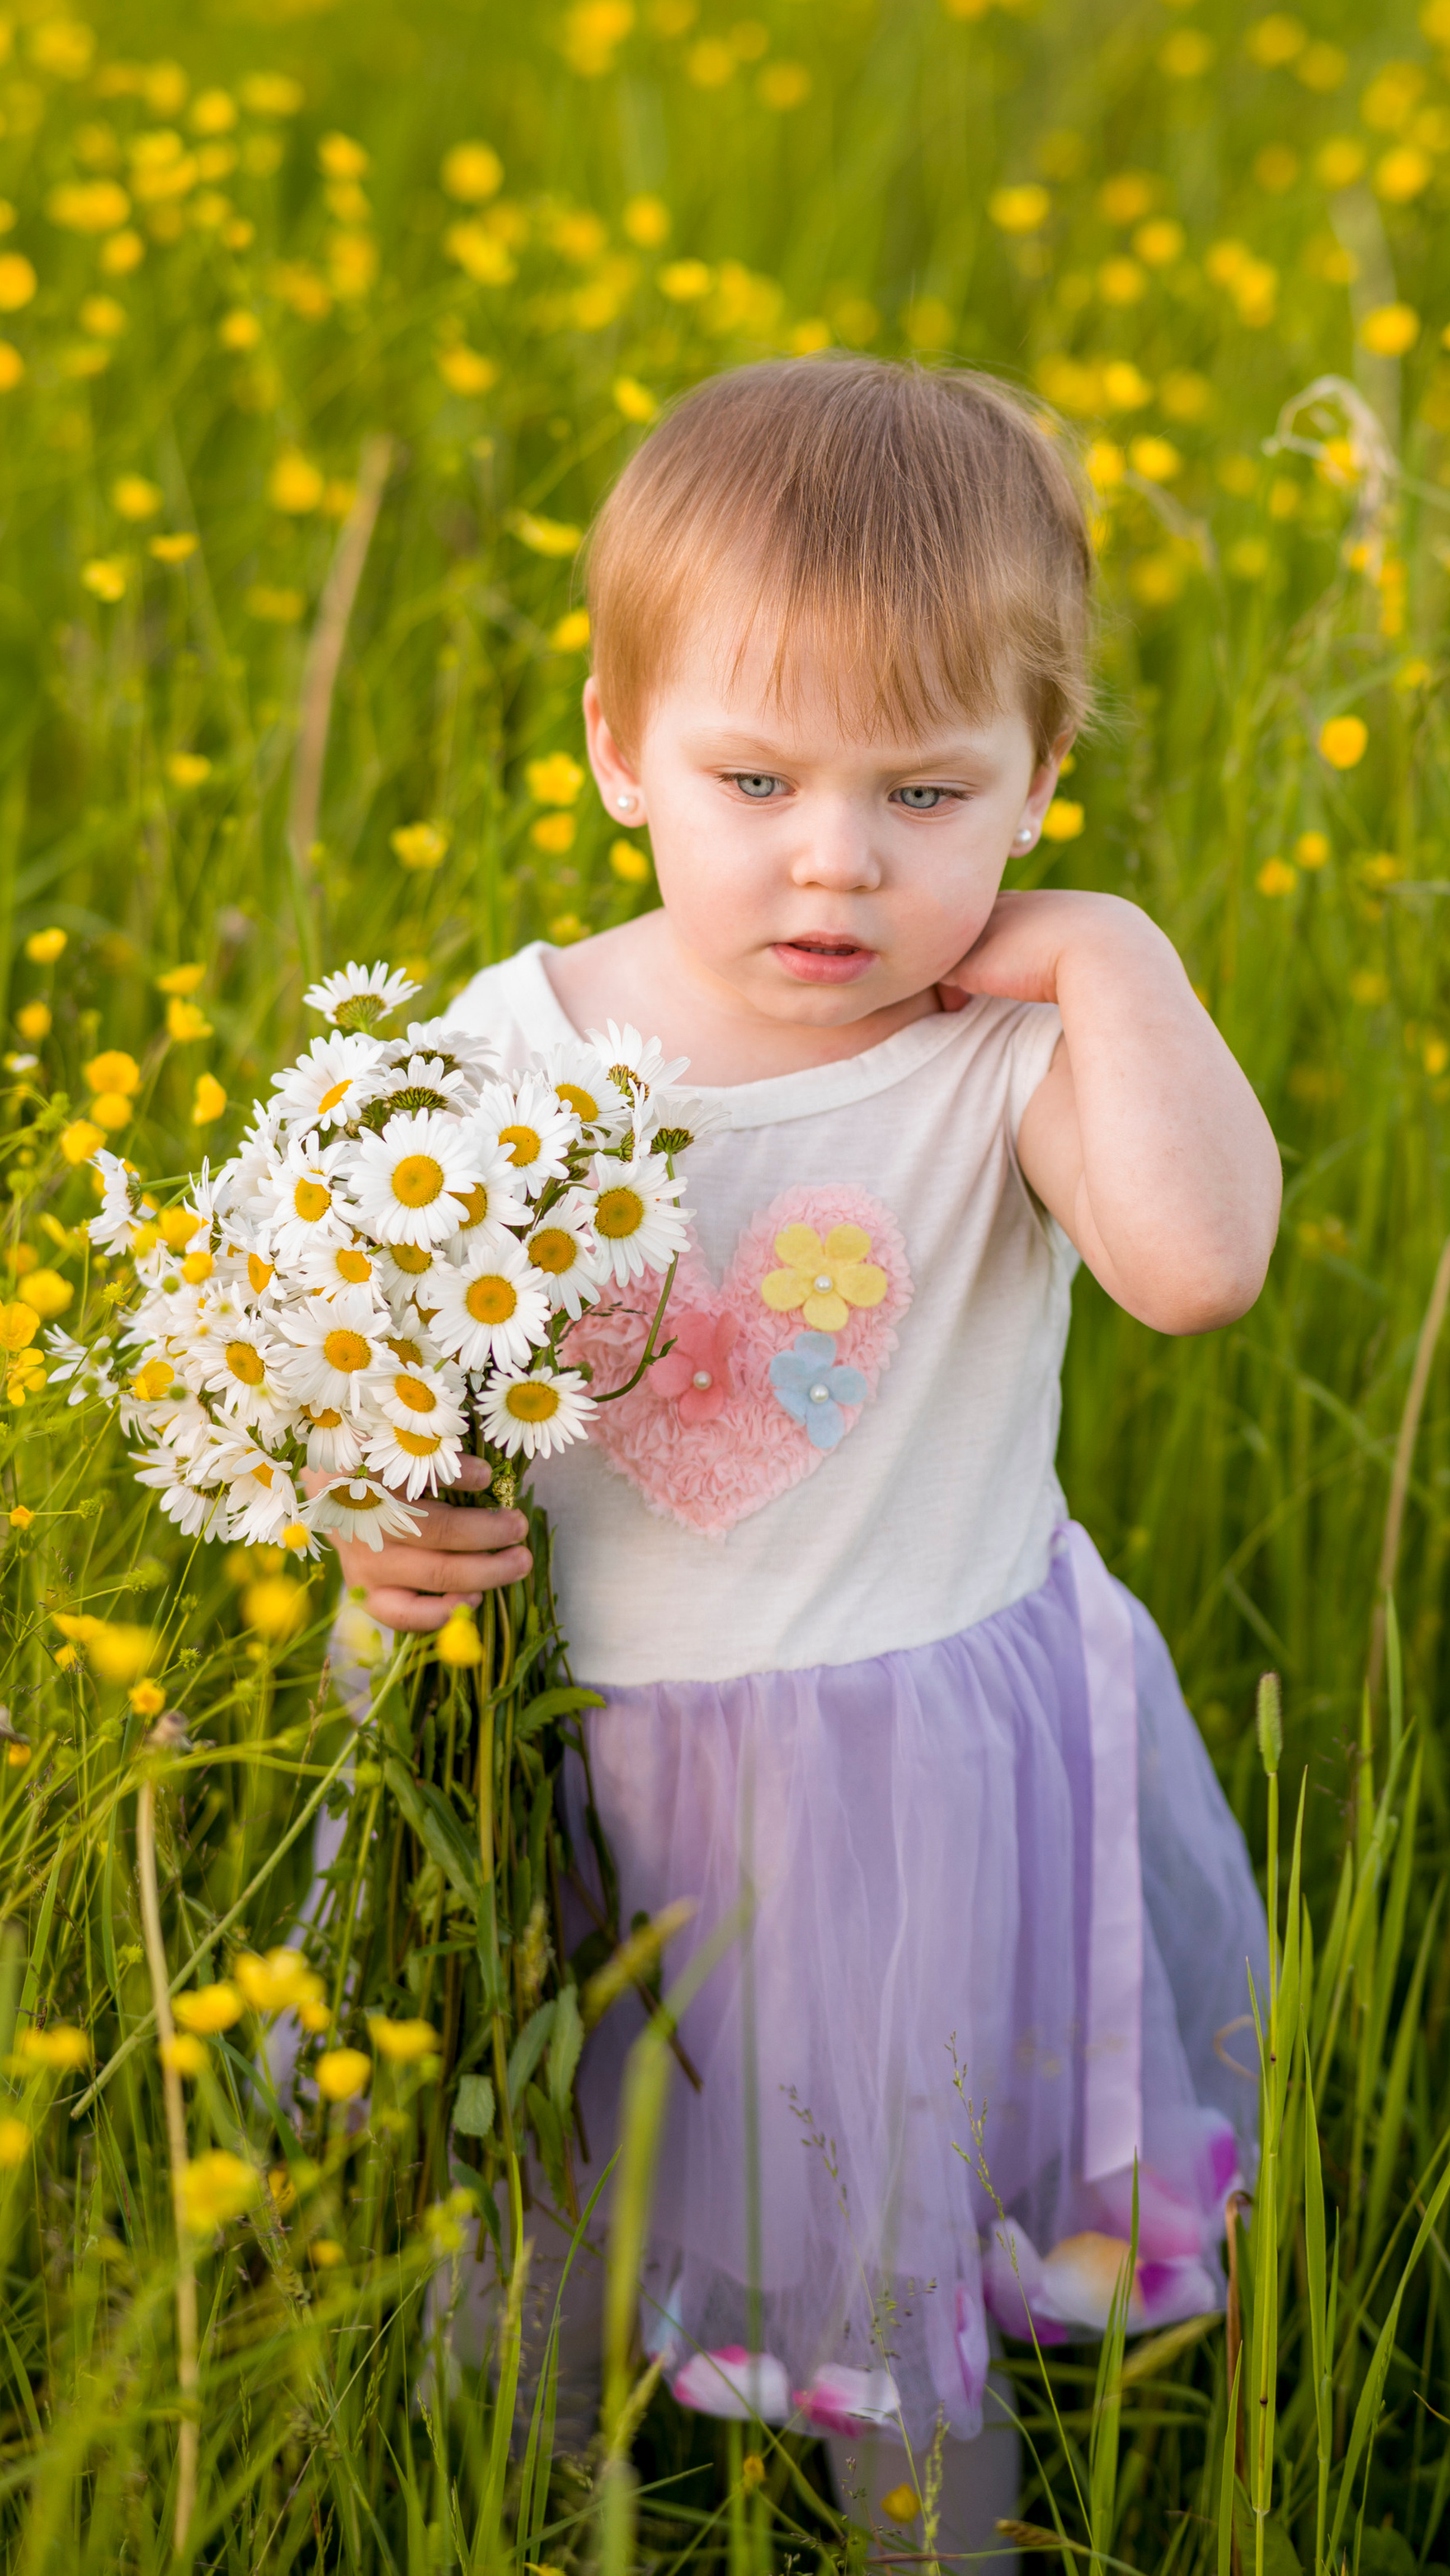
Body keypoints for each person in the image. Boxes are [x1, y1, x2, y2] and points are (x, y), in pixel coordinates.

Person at [330, 354, 1281, 2564]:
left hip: (898, 1799)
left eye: (929, 794)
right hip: (564, 1765)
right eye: (753, 776)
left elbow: (1201, 1266)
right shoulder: (509, 1045)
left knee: (892, 2284)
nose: (836, 858)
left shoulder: (1006, 1055)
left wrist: (1110, 958)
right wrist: (377, 1525)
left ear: (1043, 780)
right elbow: (382, 1373)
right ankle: (531, 2511)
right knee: (535, 2230)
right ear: (613, 747)